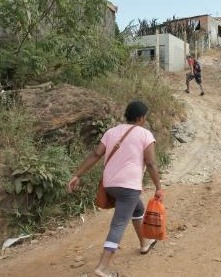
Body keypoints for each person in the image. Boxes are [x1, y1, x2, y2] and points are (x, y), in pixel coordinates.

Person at [66, 101, 163, 277]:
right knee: (118, 224)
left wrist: (77, 174)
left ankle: (144, 243)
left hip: (110, 185)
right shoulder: (145, 135)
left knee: (138, 208)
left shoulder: (111, 132)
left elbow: (96, 154)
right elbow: (150, 163)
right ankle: (102, 268)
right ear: (141, 118)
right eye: (145, 117)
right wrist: (158, 187)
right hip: (128, 187)